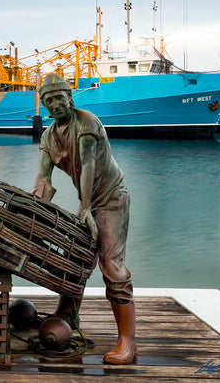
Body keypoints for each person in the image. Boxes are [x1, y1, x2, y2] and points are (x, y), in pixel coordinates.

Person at [32, 73, 137, 365]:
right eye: (48, 100)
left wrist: (87, 207)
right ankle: (66, 313)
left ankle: (128, 341)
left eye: (58, 97)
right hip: (87, 201)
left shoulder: (86, 122)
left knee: (112, 266)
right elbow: (43, 179)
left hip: (111, 198)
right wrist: (34, 213)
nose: (54, 104)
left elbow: (88, 163)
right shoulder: (48, 137)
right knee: (76, 257)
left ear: (70, 98)